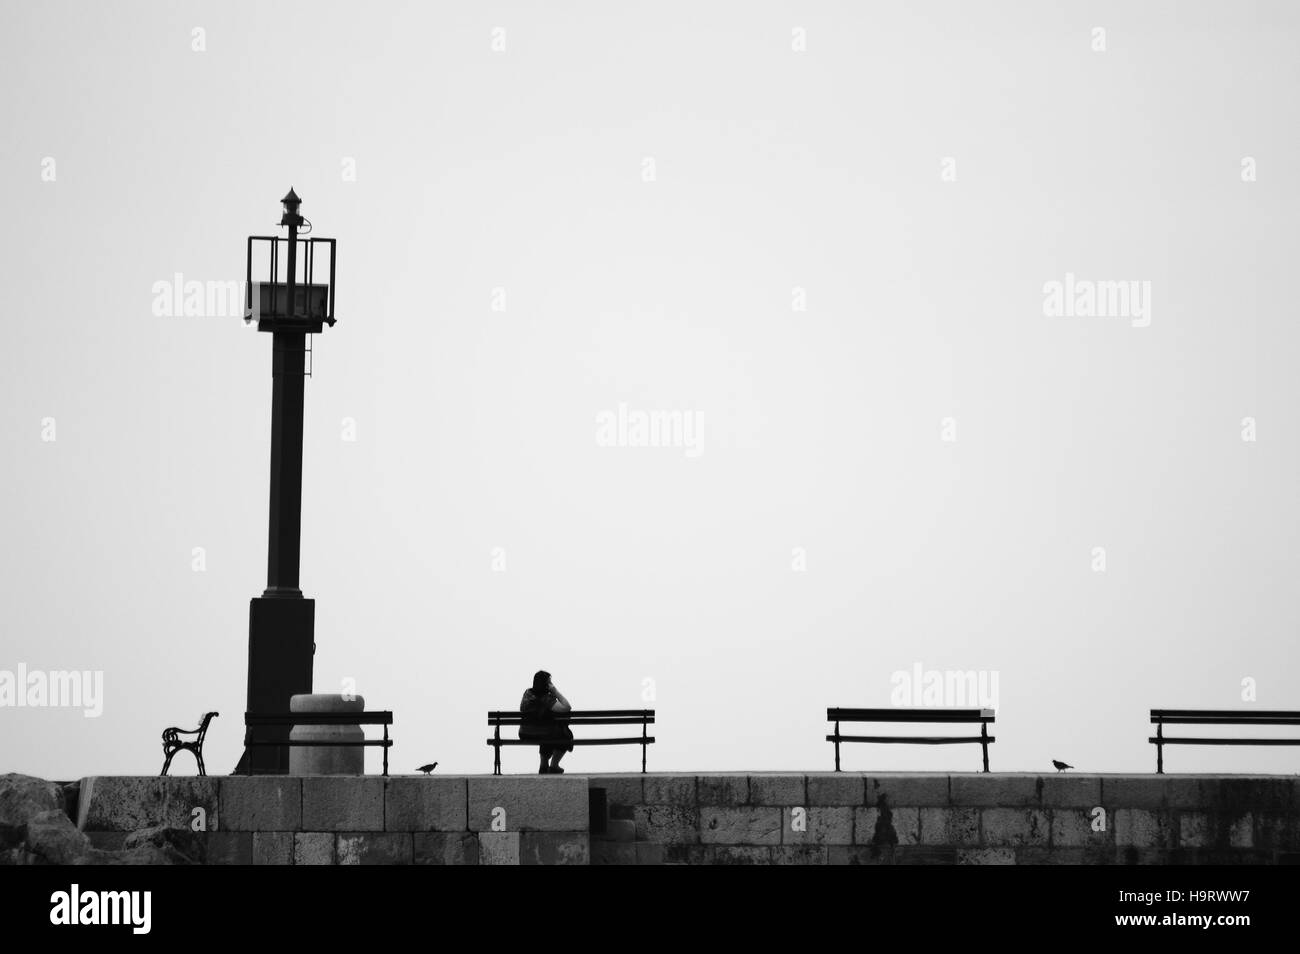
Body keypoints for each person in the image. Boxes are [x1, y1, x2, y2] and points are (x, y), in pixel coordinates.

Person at [518, 670, 574, 774]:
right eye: (550, 682)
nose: (551, 684)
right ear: (546, 684)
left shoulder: (527, 694)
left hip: (524, 733)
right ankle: (553, 765)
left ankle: (543, 764)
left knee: (547, 731)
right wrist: (555, 691)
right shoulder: (546, 698)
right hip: (544, 733)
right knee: (564, 734)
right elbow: (567, 707)